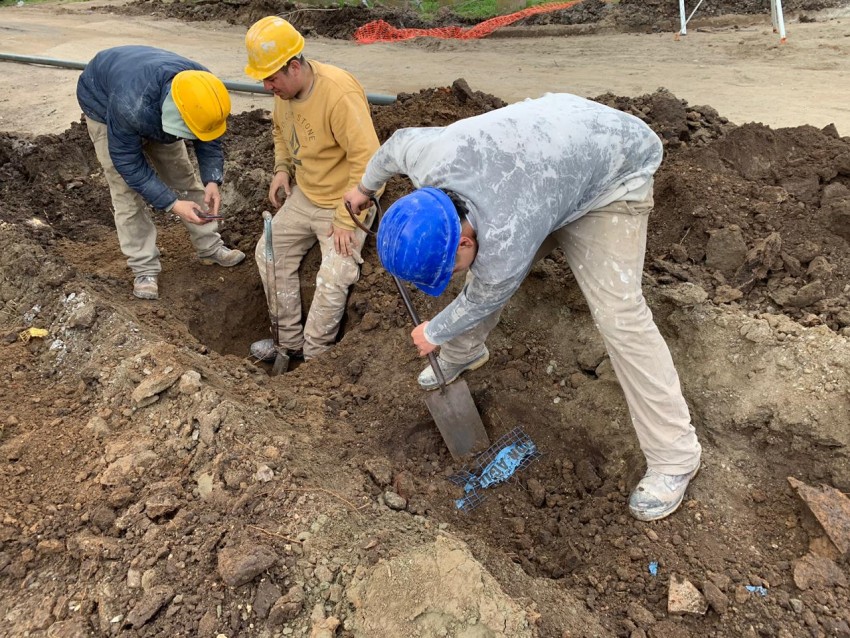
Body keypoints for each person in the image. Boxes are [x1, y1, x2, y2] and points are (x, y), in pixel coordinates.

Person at [344, 93, 701, 522]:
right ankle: (465, 353)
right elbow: (395, 142)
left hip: (614, 171)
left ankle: (675, 457)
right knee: (484, 270)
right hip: (547, 164)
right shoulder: (428, 158)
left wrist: (434, 332)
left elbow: (485, 295)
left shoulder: (507, 238)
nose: (450, 278)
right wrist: (364, 188)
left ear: (464, 238)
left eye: (449, 267)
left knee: (620, 315)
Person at [243, 16, 381, 364]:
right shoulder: (283, 92)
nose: (266, 88)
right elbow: (281, 133)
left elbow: (369, 161)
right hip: (306, 193)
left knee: (335, 275)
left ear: (293, 66)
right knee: (268, 252)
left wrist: (347, 219)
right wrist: (281, 170)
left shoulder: (338, 94)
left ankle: (316, 359)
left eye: (271, 79)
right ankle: (287, 344)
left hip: (347, 198)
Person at [76, 45, 245, 301]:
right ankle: (144, 268)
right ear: (175, 116)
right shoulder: (130, 106)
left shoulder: (201, 88)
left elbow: (208, 135)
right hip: (102, 101)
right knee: (126, 192)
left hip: (145, 93)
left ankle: (210, 247)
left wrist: (212, 179)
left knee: (184, 175)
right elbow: (128, 164)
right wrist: (172, 204)